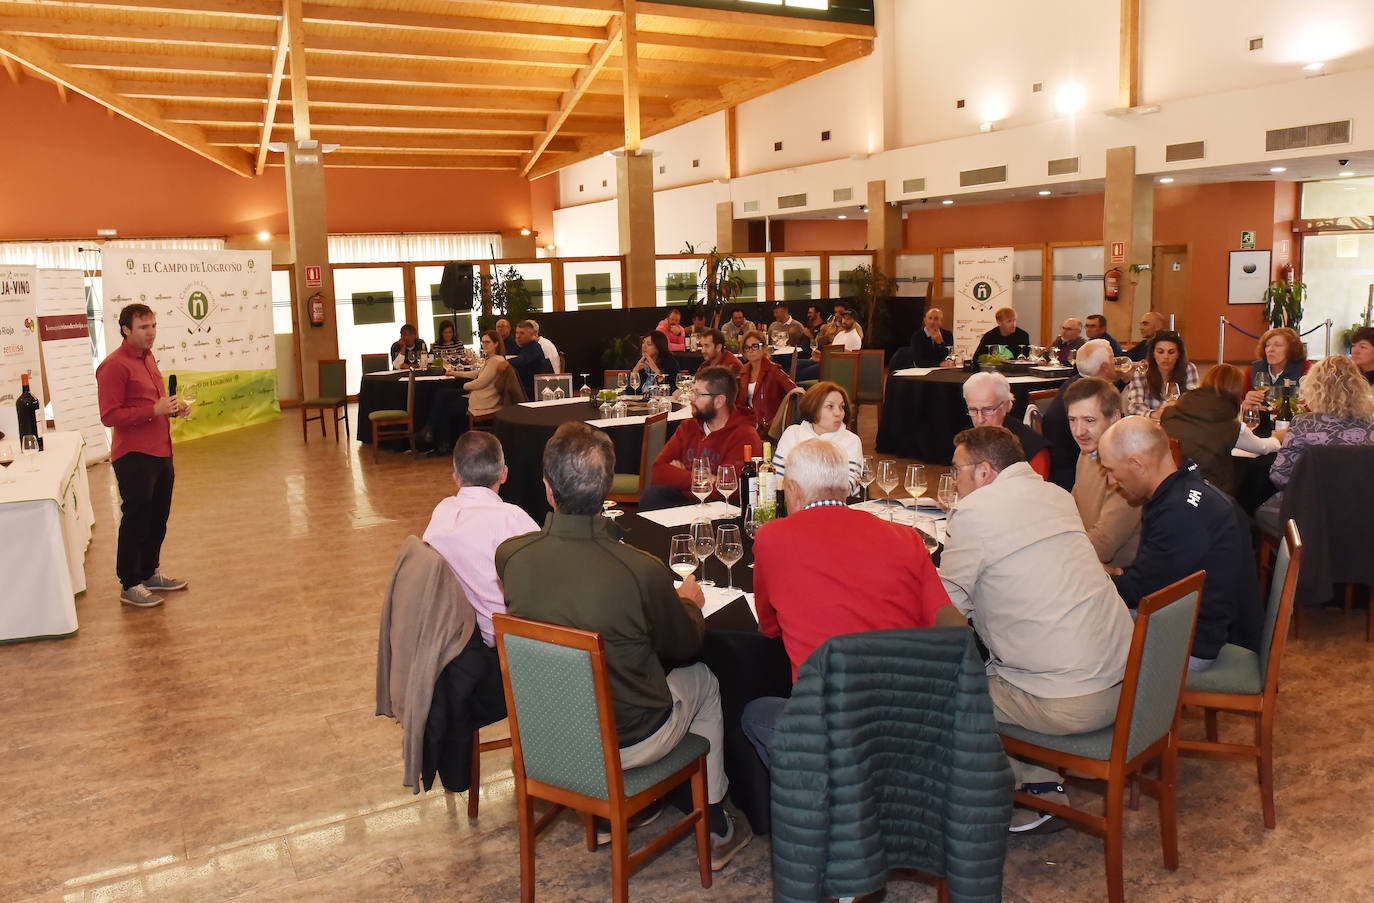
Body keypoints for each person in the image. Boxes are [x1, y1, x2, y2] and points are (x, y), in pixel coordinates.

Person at [496, 422, 752, 868]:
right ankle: (713, 823)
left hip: (548, 736)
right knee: (705, 680)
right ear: (608, 488)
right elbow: (685, 644)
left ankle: (638, 808)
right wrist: (688, 603)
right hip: (629, 741)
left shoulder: (512, 557)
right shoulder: (640, 570)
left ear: (547, 489)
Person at [938, 425, 1134, 833]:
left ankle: (1019, 792)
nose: (953, 480)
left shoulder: (976, 513)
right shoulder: (1055, 494)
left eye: (957, 470)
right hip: (1128, 682)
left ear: (985, 472)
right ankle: (1039, 777)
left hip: (1070, 700)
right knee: (1008, 662)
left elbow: (946, 607)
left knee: (944, 688)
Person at [741, 439, 956, 766]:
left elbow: (769, 629)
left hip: (831, 727)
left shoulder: (772, 537)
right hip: (910, 717)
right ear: (846, 487)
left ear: (794, 491)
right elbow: (949, 627)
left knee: (753, 714)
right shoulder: (907, 538)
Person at [1098, 417, 1261, 672]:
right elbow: (1158, 574)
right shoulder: (1187, 490)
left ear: (1136, 464)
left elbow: (1140, 593)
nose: (1110, 481)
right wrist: (1115, 573)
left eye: (1110, 470)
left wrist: (1089, 578)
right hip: (1203, 623)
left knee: (1082, 623)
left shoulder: (1179, 515)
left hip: (1192, 643)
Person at [96, 303, 190, 608]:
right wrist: (153, 410)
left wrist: (175, 409)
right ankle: (130, 583)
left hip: (161, 450)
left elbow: (156, 402)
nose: (151, 333)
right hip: (134, 455)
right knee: (136, 518)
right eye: (143, 327)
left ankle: (149, 572)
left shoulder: (148, 359)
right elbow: (109, 416)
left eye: (153, 326)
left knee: (158, 518)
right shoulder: (114, 366)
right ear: (126, 330)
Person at [423, 431, 538, 647]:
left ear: (456, 477)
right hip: (506, 641)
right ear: (504, 474)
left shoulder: (442, 512)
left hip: (455, 637)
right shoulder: (513, 518)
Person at [1256, 354, 1374, 533]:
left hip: (1310, 515)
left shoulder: (1304, 424)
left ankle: (1289, 559)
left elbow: (1279, 476)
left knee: (1259, 513)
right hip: (1362, 515)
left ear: (1314, 388)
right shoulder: (1370, 428)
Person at [641, 366, 758, 509]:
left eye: (699, 394)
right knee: (651, 496)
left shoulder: (744, 435)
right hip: (685, 500)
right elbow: (657, 472)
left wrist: (679, 475)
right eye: (692, 392)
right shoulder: (688, 427)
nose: (691, 398)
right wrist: (699, 477)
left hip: (720, 509)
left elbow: (731, 489)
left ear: (719, 401)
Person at [1161, 363, 1279, 495]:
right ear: (1235, 391)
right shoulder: (1229, 424)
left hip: (1169, 487)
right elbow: (1261, 447)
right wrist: (1277, 438)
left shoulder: (1171, 412)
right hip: (1209, 492)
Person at [1063, 377, 1141, 568]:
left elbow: (1103, 545)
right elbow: (1072, 506)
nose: (1079, 431)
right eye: (1073, 420)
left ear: (1114, 417)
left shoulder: (1128, 468)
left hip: (1117, 579)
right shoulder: (1087, 451)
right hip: (1084, 559)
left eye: (1089, 420)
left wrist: (1058, 552)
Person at [1041, 339, 1118, 490]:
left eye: (1089, 420)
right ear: (1105, 366)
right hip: (1066, 475)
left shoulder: (1072, 385)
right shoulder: (1089, 396)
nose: (1079, 430)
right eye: (1112, 360)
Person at [425, 330, 515, 455]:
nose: (484, 345)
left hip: (485, 400)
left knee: (446, 405)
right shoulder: (492, 359)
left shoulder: (496, 361)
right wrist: (455, 373)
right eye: (483, 342)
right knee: (443, 395)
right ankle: (436, 436)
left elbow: (480, 382)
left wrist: (463, 385)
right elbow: (477, 374)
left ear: (496, 344)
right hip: (480, 394)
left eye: (487, 342)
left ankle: (439, 440)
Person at [771, 381, 863, 495]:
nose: (838, 413)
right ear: (813, 407)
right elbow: (777, 481)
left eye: (841, 407)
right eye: (830, 407)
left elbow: (847, 488)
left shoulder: (851, 441)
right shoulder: (792, 434)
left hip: (839, 508)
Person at [962, 371, 1051, 479]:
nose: (980, 420)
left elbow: (1035, 493)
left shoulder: (1032, 447)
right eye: (973, 410)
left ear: (1005, 405)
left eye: (988, 410)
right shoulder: (967, 440)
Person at [1123, 330, 1199, 418]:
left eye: (1171, 352)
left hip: (1180, 420)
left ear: (1178, 354)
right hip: (1150, 423)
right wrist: (1155, 414)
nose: (1166, 357)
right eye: (1160, 352)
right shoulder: (1142, 371)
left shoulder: (1189, 369)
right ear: (1153, 354)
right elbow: (1135, 406)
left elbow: (1194, 402)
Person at [736, 329, 797, 434]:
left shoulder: (774, 370)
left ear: (764, 348)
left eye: (755, 346)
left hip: (768, 427)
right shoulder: (743, 372)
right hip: (748, 424)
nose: (751, 350)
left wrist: (780, 418)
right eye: (747, 347)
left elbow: (795, 392)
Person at [1242, 326, 1310, 412]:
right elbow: (1239, 405)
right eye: (1267, 345)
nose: (1270, 350)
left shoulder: (1305, 369)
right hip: (1262, 423)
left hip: (1293, 424)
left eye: (1278, 345)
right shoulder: (1253, 370)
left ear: (1291, 349)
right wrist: (1246, 404)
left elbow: (1311, 406)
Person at [628, 330, 681, 394]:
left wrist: (657, 371)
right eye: (643, 342)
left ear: (658, 347)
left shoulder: (670, 362)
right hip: (641, 402)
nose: (644, 346)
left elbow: (673, 390)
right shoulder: (639, 362)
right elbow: (629, 392)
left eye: (649, 344)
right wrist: (635, 371)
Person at [508, 320, 550, 400]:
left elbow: (522, 360)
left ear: (531, 335)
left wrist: (502, 362)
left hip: (531, 392)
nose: (518, 336)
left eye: (522, 333)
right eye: (517, 333)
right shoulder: (525, 347)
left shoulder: (534, 347)